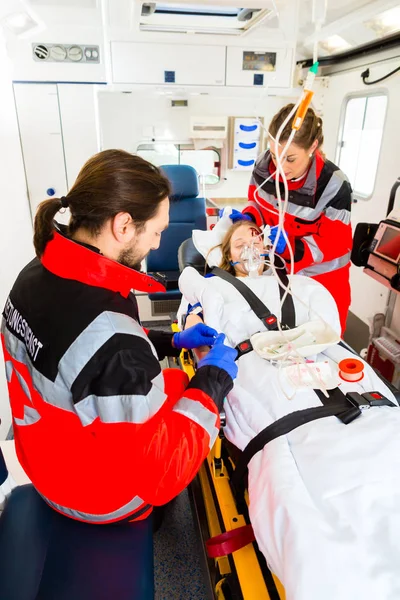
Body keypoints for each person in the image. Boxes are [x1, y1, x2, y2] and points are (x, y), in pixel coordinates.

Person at [0, 149, 238, 525]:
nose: (158, 244)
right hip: (93, 497)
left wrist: (169, 341)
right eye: (157, 231)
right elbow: (160, 477)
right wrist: (212, 380)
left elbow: (81, 351)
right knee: (187, 392)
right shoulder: (112, 339)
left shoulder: (36, 272)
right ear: (124, 225)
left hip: (45, 460)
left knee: (173, 381)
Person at [233, 104, 353, 335]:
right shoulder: (262, 166)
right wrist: (248, 218)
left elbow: (335, 243)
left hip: (323, 283)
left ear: (313, 147)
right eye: (275, 155)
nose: (280, 167)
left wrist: (292, 248)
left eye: (290, 158)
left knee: (321, 346)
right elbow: (257, 202)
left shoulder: (334, 185)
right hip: (278, 274)